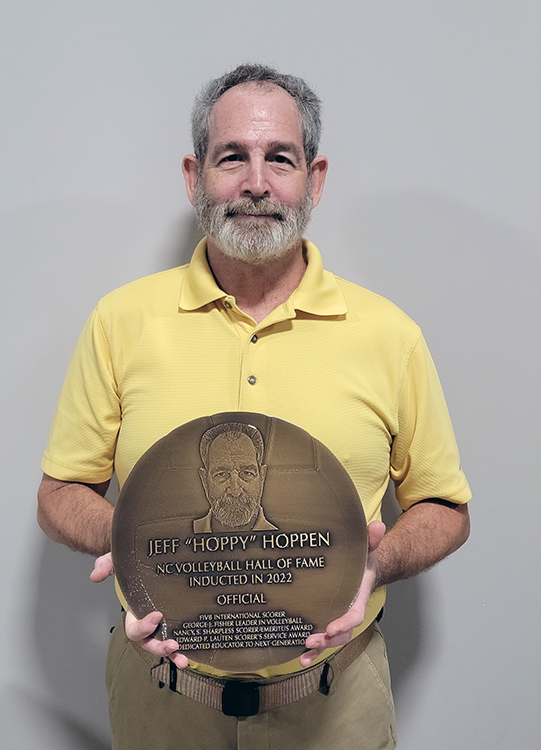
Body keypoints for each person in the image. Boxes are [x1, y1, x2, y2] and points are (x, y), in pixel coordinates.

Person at [38, 63, 471, 749]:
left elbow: (446, 509)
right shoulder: (122, 322)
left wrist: (376, 564)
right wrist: (129, 544)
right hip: (163, 702)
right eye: (231, 157)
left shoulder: (389, 335)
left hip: (337, 703)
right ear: (194, 176)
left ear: (315, 179)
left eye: (281, 159)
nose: (257, 183)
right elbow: (59, 491)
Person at [194, 421, 276, 533]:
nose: (235, 491)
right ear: (204, 480)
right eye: (221, 474)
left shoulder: (288, 547)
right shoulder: (182, 534)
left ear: (262, 477)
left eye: (247, 473)